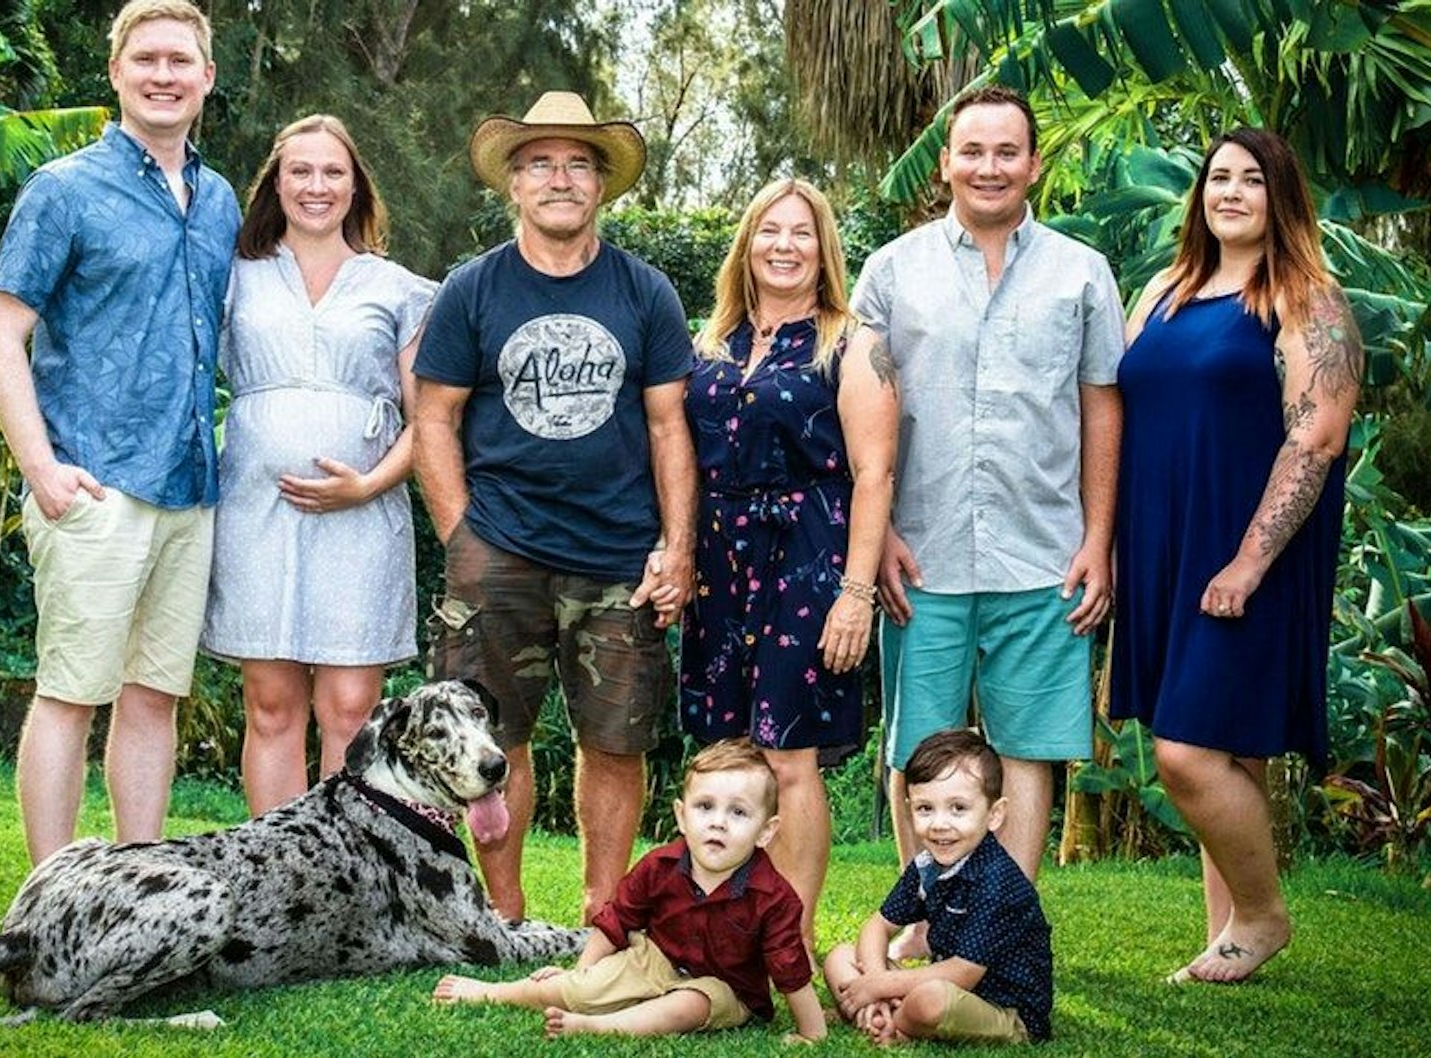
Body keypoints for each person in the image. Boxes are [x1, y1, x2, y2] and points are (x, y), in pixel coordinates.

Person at [413, 91, 696, 922]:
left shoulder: (645, 293)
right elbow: (434, 416)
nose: (560, 178)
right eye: (541, 163)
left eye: (578, 163)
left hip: (618, 556)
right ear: (515, 184)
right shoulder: (473, 291)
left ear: (601, 185)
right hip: (500, 548)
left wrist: (677, 546)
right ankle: (503, 915)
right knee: (490, 740)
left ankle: (603, 917)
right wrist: (461, 535)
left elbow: (669, 424)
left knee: (615, 740)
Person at [0, 0, 238, 866]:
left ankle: (137, 889)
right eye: (146, 59)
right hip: (92, 482)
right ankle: (49, 901)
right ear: (116, 73)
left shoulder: (220, 200)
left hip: (188, 489)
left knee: (154, 695)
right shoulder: (65, 190)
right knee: (68, 695)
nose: (163, 76)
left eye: (180, 61)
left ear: (206, 77)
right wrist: (41, 468)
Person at [852, 84, 1123, 893]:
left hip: (1046, 553)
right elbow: (864, 414)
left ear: (1034, 164)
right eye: (972, 150)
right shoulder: (891, 272)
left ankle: (1011, 923)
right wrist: (881, 536)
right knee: (918, 749)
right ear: (945, 164)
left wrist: (1098, 539)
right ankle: (922, 915)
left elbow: (1101, 407)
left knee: (1029, 745)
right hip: (921, 555)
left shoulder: (1082, 273)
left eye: (1007, 151)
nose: (989, 167)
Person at [1110, 127, 1360, 984]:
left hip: (1248, 545)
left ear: (1280, 196)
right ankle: (1226, 937)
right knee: (1226, 744)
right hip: (1164, 544)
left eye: (1251, 179)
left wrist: (1250, 560)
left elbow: (1316, 441)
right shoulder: (1166, 290)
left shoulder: (1305, 301)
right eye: (1218, 177)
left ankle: (1262, 915)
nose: (1230, 192)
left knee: (1187, 751)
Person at [679, 177, 898, 952]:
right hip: (719, 560)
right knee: (725, 752)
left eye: (801, 232)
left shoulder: (852, 341)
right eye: (769, 231)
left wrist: (855, 593)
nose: (783, 245)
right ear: (746, 245)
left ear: (823, 249)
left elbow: (873, 473)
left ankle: (788, 943)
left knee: (787, 752)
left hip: (806, 556)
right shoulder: (710, 344)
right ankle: (722, 929)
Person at [200, 115, 437, 816]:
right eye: (300, 170)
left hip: (362, 513)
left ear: (356, 186)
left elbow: (427, 419)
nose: (316, 185)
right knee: (271, 703)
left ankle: (342, 881)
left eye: (333, 172)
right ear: (276, 181)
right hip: (255, 506)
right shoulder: (234, 278)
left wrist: (366, 483)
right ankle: (277, 874)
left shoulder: (397, 288)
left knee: (350, 704)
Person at [432, 739, 826, 1042]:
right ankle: (495, 992)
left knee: (689, 1004)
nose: (718, 823)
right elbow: (616, 922)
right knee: (584, 988)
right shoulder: (660, 866)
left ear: (766, 831)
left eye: (738, 813)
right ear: (681, 816)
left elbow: (789, 968)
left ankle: (597, 1027)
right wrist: (584, 970)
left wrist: (812, 1033)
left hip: (726, 988)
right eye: (705, 807)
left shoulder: (773, 898)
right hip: (655, 957)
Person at [824, 729, 1053, 1044]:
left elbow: (964, 972)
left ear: (994, 814)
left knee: (929, 1001)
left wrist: (878, 986)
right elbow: (877, 926)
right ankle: (880, 1011)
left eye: (958, 808)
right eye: (925, 809)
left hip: (1003, 1010)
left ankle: (891, 1024)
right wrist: (877, 980)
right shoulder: (927, 866)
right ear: (910, 808)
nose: (940, 823)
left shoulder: (998, 881)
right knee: (841, 956)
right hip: (948, 987)